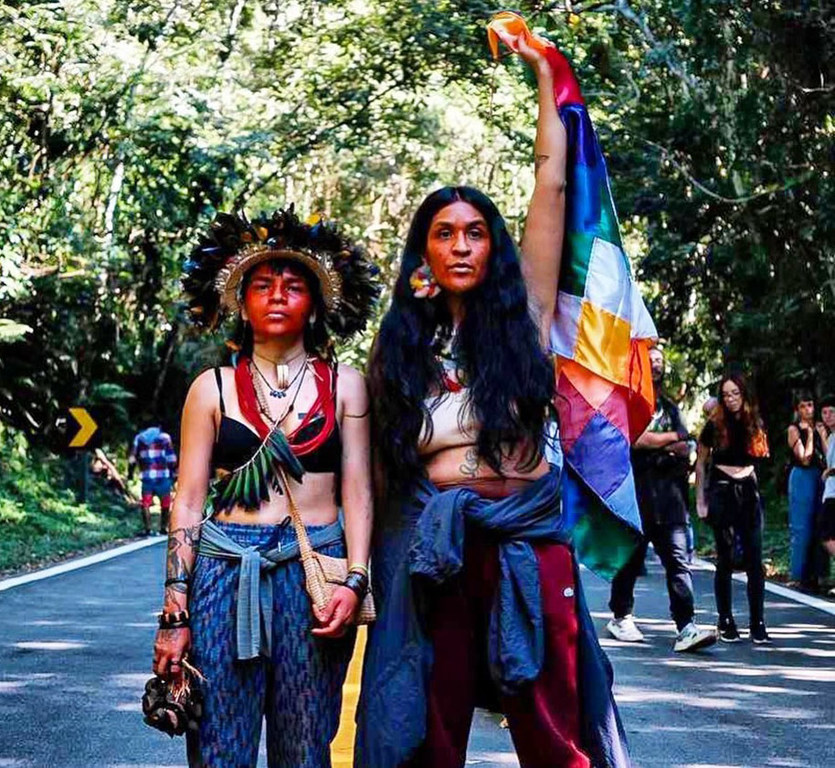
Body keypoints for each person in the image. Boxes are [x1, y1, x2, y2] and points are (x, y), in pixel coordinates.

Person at [356, 24, 630, 768]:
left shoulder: (525, 318)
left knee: (552, 718)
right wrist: (360, 573)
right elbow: (378, 472)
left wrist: (544, 72)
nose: (460, 245)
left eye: (475, 233)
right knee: (430, 719)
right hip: (437, 549)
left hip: (526, 539)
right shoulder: (397, 353)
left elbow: (551, 182)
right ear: (423, 252)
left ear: (492, 246)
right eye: (444, 233)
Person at [152, 208, 379, 768]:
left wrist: (355, 579)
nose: (277, 295)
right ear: (240, 302)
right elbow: (188, 499)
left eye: (293, 285)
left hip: (314, 573)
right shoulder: (211, 389)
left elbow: (358, 492)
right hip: (223, 572)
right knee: (219, 746)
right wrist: (175, 612)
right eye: (262, 285)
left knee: (305, 745)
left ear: (315, 304)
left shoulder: (346, 386)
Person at [606, 347, 716, 652]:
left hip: (671, 499)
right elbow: (637, 439)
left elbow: (686, 444)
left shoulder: (670, 407)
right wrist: (669, 441)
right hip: (637, 497)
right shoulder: (629, 404)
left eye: (659, 361)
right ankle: (621, 616)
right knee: (630, 560)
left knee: (679, 562)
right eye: (651, 360)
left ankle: (686, 626)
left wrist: (663, 444)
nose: (656, 365)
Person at [695, 373, 771, 644]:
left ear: (743, 394)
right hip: (722, 489)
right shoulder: (714, 424)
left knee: (754, 559)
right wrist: (701, 501)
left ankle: (757, 622)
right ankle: (725, 619)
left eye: (735, 393)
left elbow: (762, 456)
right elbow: (701, 462)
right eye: (726, 394)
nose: (731, 399)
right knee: (725, 557)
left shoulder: (754, 422)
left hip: (748, 490)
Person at [786, 391, 827, 591]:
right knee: (801, 527)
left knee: (821, 525)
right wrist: (810, 434)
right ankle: (798, 575)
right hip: (802, 477)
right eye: (802, 406)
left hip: (821, 477)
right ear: (797, 409)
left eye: (810, 405)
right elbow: (804, 458)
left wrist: (821, 435)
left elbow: (829, 455)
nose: (807, 410)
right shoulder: (794, 429)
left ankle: (819, 575)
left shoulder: (822, 426)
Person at [129, 423, 178, 534]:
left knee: (146, 503)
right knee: (165, 503)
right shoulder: (165, 437)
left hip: (147, 477)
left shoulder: (139, 438)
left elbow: (132, 459)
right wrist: (173, 472)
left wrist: (130, 474)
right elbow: (172, 459)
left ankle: (147, 528)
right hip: (163, 477)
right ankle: (163, 528)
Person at [820, 395, 835, 595]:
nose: (828, 416)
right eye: (824, 412)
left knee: (825, 534)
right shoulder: (831, 437)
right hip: (830, 491)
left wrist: (830, 472)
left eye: (832, 412)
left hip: (833, 494)